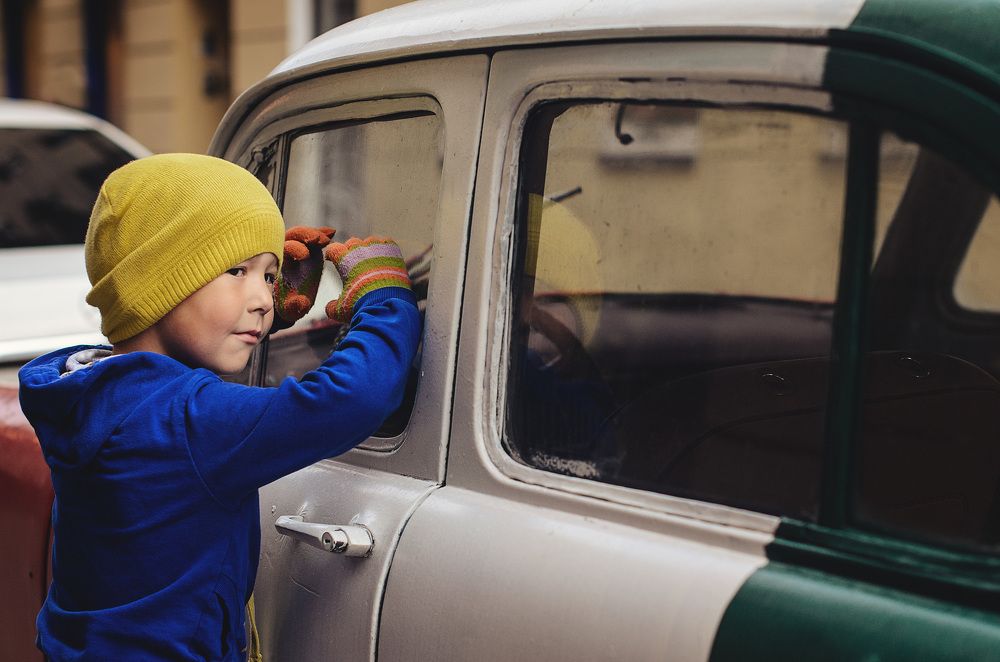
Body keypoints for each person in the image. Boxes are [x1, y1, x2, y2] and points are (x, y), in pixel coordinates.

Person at [17, 153, 421, 660]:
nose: (264, 300)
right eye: (236, 270)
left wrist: (248, 316)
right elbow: (351, 399)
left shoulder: (92, 390)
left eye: (269, 277)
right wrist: (385, 301)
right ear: (158, 282)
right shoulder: (190, 421)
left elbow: (174, 361)